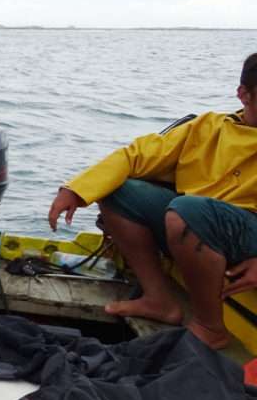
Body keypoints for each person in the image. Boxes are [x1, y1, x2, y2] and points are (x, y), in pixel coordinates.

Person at [48, 52, 257, 350]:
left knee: (188, 210)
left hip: (246, 231)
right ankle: (159, 299)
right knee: (116, 189)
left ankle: (210, 327)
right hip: (196, 222)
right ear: (243, 94)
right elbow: (136, 156)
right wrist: (75, 190)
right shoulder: (207, 127)